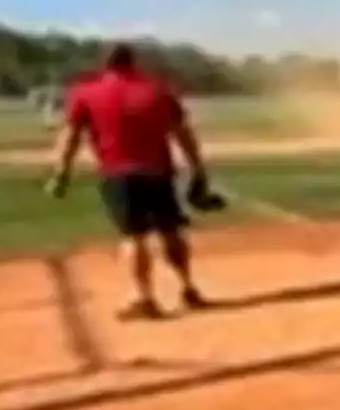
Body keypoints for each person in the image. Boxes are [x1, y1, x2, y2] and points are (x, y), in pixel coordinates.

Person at [43, 43, 216, 320]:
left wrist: (61, 174)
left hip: (120, 174)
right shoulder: (158, 90)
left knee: (134, 236)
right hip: (160, 172)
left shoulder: (87, 92)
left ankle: (143, 297)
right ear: (133, 62)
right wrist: (198, 170)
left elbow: (71, 137)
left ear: (105, 64)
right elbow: (183, 133)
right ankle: (188, 287)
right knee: (170, 231)